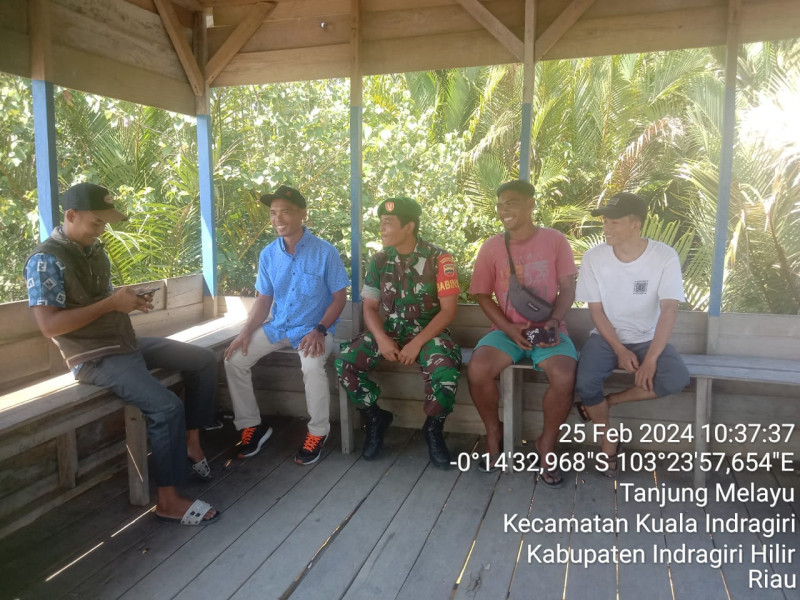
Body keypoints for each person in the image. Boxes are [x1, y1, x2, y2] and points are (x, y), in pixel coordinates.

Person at [25, 182, 219, 526]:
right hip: (93, 357)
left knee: (203, 361)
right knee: (166, 407)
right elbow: (50, 326)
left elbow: (100, 300)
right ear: (71, 215)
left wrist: (129, 301)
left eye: (104, 223)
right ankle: (168, 501)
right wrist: (111, 304)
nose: (101, 230)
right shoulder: (45, 260)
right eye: (96, 222)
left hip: (124, 343)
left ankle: (192, 442)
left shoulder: (93, 250)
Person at [224, 185, 349, 466]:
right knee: (234, 359)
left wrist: (320, 329)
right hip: (278, 328)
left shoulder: (325, 252)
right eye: (273, 213)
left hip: (315, 330)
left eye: (285, 212)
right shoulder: (268, 254)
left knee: (312, 366)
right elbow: (263, 300)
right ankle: (252, 426)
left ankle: (318, 431)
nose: (278, 218)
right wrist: (245, 332)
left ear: (302, 214)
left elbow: (339, 298)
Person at [335, 197, 462, 468]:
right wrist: (382, 339)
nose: (381, 228)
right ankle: (375, 417)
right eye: (381, 222)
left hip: (429, 336)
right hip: (391, 333)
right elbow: (370, 308)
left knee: (445, 369)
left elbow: (448, 311)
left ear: (409, 226)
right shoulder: (380, 260)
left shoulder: (440, 259)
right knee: (345, 360)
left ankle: (433, 428)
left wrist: (417, 343)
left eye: (388, 223)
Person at [467, 180, 577, 485]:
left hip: (548, 327)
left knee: (564, 375)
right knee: (478, 369)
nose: (503, 210)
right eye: (500, 204)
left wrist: (555, 320)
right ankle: (494, 432)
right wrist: (508, 327)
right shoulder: (491, 247)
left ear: (530, 205)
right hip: (505, 330)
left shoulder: (555, 241)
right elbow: (481, 295)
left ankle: (546, 444)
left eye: (512, 203)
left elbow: (568, 288)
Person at [574, 192, 690, 476]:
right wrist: (619, 349)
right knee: (586, 383)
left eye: (613, 222)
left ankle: (609, 402)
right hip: (606, 337)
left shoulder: (664, 256)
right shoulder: (594, 258)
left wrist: (651, 359)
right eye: (605, 221)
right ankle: (608, 440)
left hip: (648, 337)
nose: (606, 227)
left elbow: (670, 309)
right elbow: (596, 311)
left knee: (676, 378)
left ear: (635, 224)